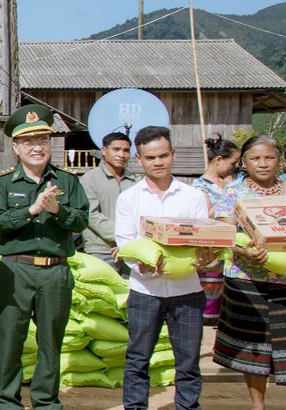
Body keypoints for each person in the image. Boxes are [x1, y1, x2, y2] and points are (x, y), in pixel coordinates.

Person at [0, 104, 88, 410]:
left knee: (50, 343)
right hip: (16, 271)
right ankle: (6, 402)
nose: (37, 148)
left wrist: (58, 211)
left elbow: (82, 221)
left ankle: (45, 402)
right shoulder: (2, 182)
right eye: (28, 142)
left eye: (42, 140)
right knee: (10, 342)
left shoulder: (68, 181)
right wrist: (31, 211)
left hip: (55, 271)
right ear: (16, 147)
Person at [113, 126, 212, 410]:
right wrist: (141, 265)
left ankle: (188, 407)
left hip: (188, 290)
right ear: (139, 159)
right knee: (138, 358)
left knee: (189, 360)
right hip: (145, 290)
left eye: (164, 155)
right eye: (150, 157)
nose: (158, 162)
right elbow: (125, 241)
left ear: (173, 155)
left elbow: (202, 240)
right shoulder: (129, 198)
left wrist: (207, 260)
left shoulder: (192, 196)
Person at [213, 135, 286, 409]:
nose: (263, 163)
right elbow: (224, 231)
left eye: (269, 157)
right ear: (244, 162)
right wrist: (244, 251)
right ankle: (258, 404)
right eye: (256, 158)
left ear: (280, 160)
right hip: (246, 279)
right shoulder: (234, 192)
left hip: (283, 279)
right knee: (254, 346)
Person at [192, 134, 240, 325]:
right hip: (213, 253)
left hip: (235, 252)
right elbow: (206, 216)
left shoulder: (234, 184)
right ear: (219, 160)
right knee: (210, 305)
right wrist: (228, 195)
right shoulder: (199, 187)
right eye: (233, 162)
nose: (234, 167)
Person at [79, 131, 137, 275]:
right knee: (103, 295)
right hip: (101, 249)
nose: (121, 155)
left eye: (126, 150)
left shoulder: (135, 181)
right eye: (116, 149)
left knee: (130, 293)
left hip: (131, 249)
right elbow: (91, 215)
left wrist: (130, 241)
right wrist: (123, 235)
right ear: (104, 151)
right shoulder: (90, 179)